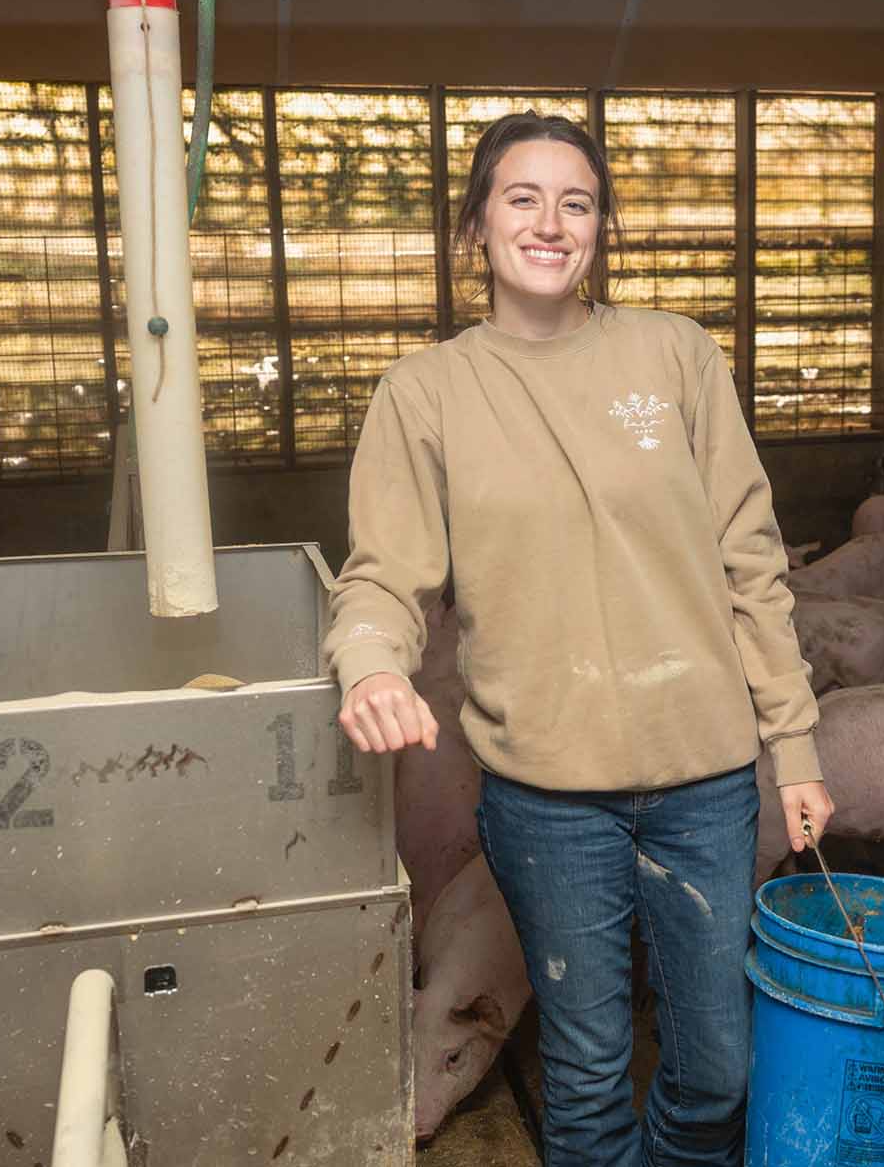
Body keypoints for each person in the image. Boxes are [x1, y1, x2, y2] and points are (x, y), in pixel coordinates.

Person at [323, 110, 834, 1166]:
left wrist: (796, 746)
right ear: (477, 225)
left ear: (601, 226)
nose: (551, 223)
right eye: (523, 198)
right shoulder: (427, 391)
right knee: (590, 1069)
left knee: (715, 1070)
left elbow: (752, 561)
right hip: (547, 792)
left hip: (705, 777)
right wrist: (371, 660)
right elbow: (382, 571)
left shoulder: (674, 354)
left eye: (577, 201)